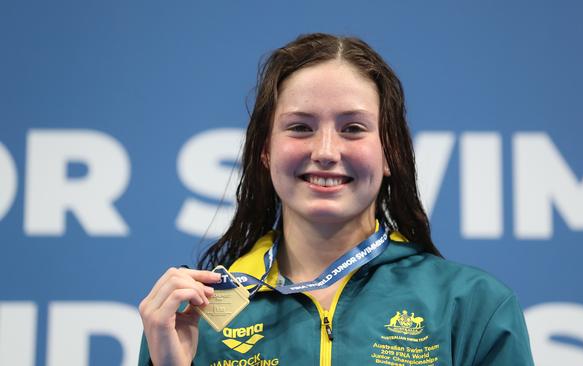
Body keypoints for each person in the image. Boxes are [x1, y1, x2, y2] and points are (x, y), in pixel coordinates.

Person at [138, 33, 534, 366]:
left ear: (391, 152)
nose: (326, 150)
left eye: (353, 128)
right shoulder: (197, 315)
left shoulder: (470, 306)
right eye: (300, 127)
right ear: (264, 151)